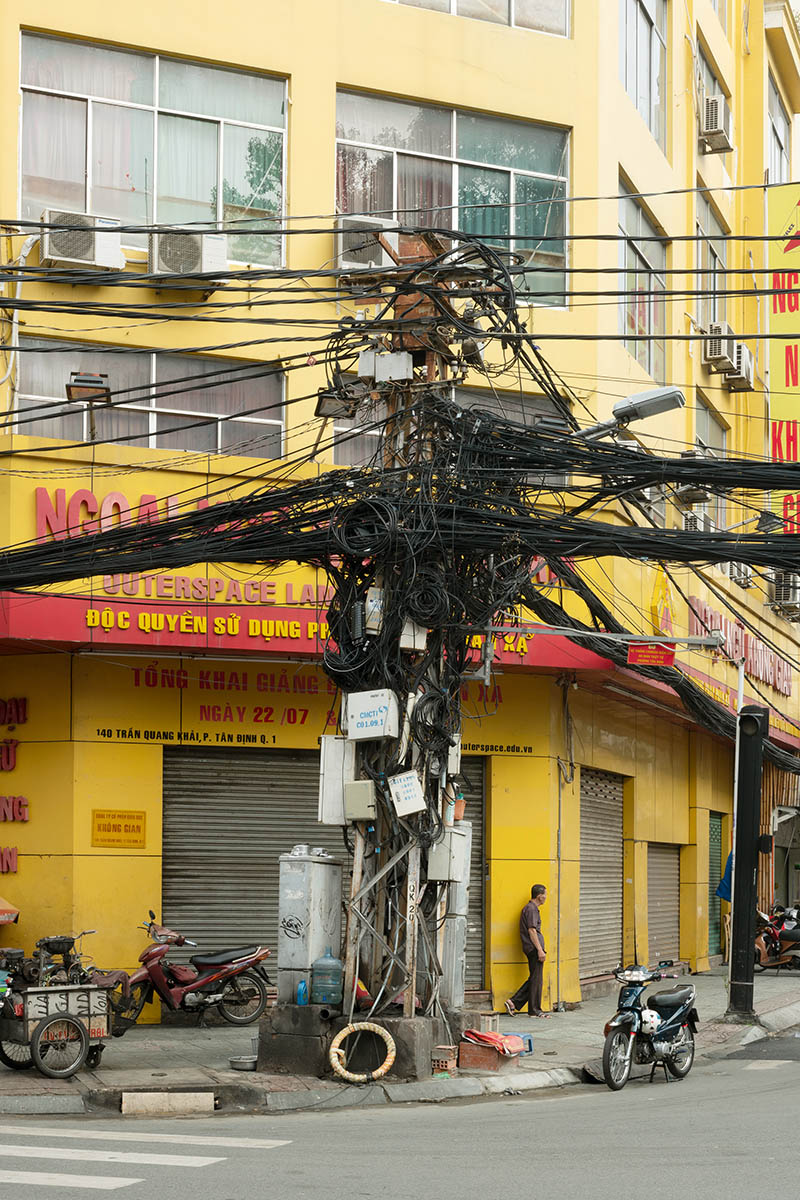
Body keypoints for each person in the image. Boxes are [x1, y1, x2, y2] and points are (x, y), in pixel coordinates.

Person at [505, 884, 550, 1018]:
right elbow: (532, 930)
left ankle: (514, 1003)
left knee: (535, 979)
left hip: (533, 948)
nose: (546, 897)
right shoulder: (531, 909)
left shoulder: (531, 909)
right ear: (539, 896)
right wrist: (540, 950)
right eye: (545, 895)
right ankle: (534, 1010)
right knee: (536, 979)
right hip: (533, 948)